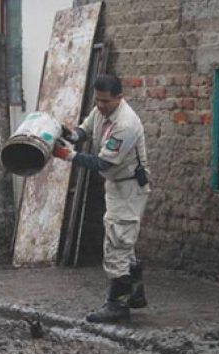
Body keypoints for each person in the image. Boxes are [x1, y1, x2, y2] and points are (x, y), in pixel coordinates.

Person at [52, 74, 151, 323]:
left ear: (119, 97)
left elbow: (102, 161)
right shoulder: (101, 111)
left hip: (128, 187)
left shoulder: (125, 124)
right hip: (116, 183)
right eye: (97, 100)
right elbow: (84, 131)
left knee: (117, 242)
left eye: (105, 101)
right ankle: (135, 292)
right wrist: (68, 133)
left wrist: (67, 155)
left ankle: (117, 305)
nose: (100, 105)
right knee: (121, 237)